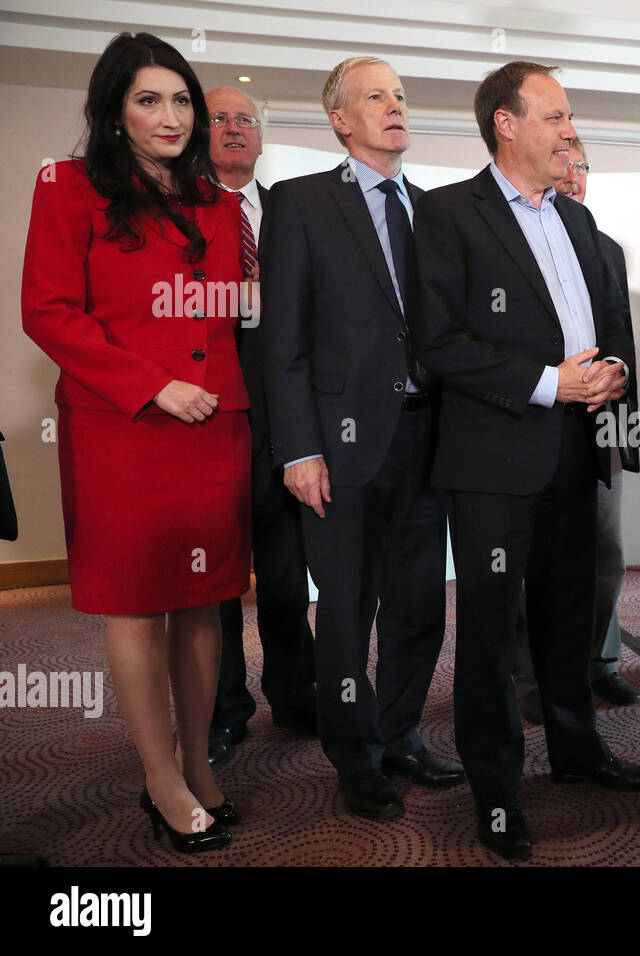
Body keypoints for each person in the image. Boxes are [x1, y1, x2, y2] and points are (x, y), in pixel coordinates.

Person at [409, 61, 640, 862]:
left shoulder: (582, 225)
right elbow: (441, 343)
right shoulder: (448, 215)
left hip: (577, 450)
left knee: (569, 620)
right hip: (492, 460)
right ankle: (495, 791)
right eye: (555, 117)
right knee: (491, 631)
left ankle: (578, 751)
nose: (569, 131)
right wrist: (553, 383)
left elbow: (613, 328)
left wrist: (615, 373)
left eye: (569, 118)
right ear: (506, 125)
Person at [21, 32, 249, 852]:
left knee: (204, 607)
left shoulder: (220, 203)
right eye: (149, 99)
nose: (171, 115)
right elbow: (48, 311)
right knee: (137, 610)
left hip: (212, 427)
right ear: (115, 111)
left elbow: (231, 315)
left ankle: (200, 761)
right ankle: (160, 777)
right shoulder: (69, 188)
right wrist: (153, 384)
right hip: (121, 427)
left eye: (181, 99)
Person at [260, 56, 463, 822]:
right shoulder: (301, 203)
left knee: (419, 605)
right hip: (339, 449)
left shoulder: (436, 211)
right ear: (340, 120)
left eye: (402, 95)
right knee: (345, 609)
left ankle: (401, 730)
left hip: (428, 439)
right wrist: (298, 449)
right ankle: (355, 754)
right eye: (375, 96)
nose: (395, 106)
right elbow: (284, 340)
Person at [205, 85, 317, 767]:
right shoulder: (176, 213)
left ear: (262, 136)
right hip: (206, 417)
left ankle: (296, 693)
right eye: (218, 118)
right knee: (214, 577)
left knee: (284, 570)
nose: (234, 128)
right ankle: (223, 710)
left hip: (280, 420)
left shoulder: (288, 213)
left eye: (245, 119)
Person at [515, 135, 640, 723]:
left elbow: (621, 331)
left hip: (601, 429)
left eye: (580, 164)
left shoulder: (606, 246)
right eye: (561, 161)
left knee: (605, 554)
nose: (571, 174)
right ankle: (528, 678)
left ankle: (599, 664)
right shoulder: (512, 237)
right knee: (528, 565)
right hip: (532, 426)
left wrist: (621, 402)